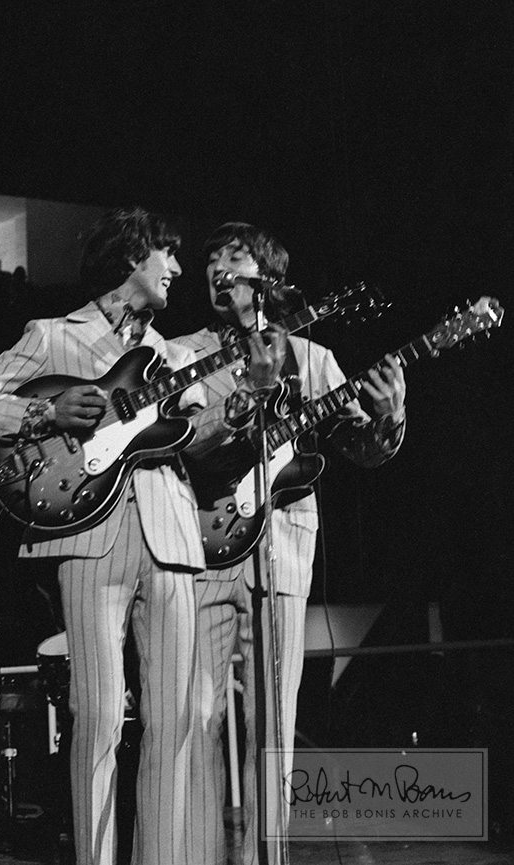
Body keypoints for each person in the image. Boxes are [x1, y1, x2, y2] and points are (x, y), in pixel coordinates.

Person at [0, 207, 286, 865]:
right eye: (169, 255)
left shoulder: (171, 354)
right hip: (89, 534)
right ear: (135, 256)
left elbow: (198, 441)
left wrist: (235, 411)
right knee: (99, 714)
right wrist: (43, 410)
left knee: (175, 724)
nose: (180, 270)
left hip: (171, 538)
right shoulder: (52, 335)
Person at [172, 222, 406, 865]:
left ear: (266, 276)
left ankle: (260, 858)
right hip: (200, 540)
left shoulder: (313, 358)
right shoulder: (181, 353)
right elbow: (180, 444)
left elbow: (360, 448)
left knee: (273, 721)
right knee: (194, 716)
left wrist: (389, 416)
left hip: (282, 542)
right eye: (211, 261)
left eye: (234, 257)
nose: (218, 268)